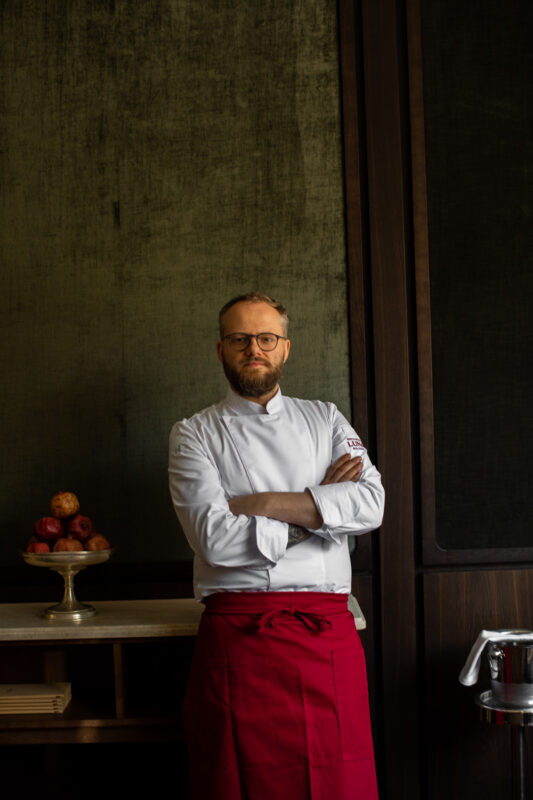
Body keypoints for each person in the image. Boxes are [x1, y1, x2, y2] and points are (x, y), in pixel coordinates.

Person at [169, 292, 384, 800]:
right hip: (241, 639)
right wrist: (319, 509)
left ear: (285, 348)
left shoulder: (326, 418)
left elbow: (370, 504)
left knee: (339, 782)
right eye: (240, 339)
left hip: (326, 635)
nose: (254, 349)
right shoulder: (193, 434)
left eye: (267, 338)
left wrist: (262, 503)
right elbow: (214, 539)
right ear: (221, 350)